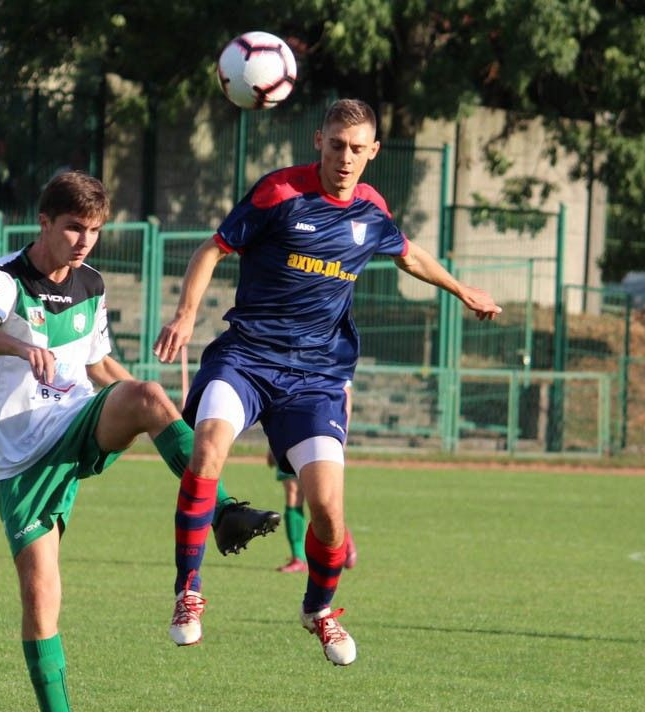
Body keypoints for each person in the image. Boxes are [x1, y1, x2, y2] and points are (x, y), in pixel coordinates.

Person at [0, 171, 278, 712]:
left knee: (151, 395)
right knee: (42, 602)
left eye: (95, 230)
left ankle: (223, 510)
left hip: (76, 421)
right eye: (74, 227)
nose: (84, 241)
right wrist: (22, 348)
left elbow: (100, 364)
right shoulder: (4, 278)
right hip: (24, 455)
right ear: (45, 222)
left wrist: (151, 407)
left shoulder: (92, 284)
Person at [153, 98, 501, 667]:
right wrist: (187, 315)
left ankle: (319, 610)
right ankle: (187, 593)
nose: (345, 158)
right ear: (319, 141)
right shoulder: (279, 193)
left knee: (329, 512)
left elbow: (408, 255)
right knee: (208, 452)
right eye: (336, 145)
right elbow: (212, 249)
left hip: (316, 378)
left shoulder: (372, 211)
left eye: (356, 149)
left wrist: (463, 291)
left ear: (373, 153)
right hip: (246, 358)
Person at [270, 379, 356, 574]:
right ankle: (298, 557)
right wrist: (271, 441)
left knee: (320, 498)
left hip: (318, 431)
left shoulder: (326, 353)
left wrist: (341, 433)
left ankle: (343, 539)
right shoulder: (282, 354)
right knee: (293, 492)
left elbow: (345, 392)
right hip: (286, 433)